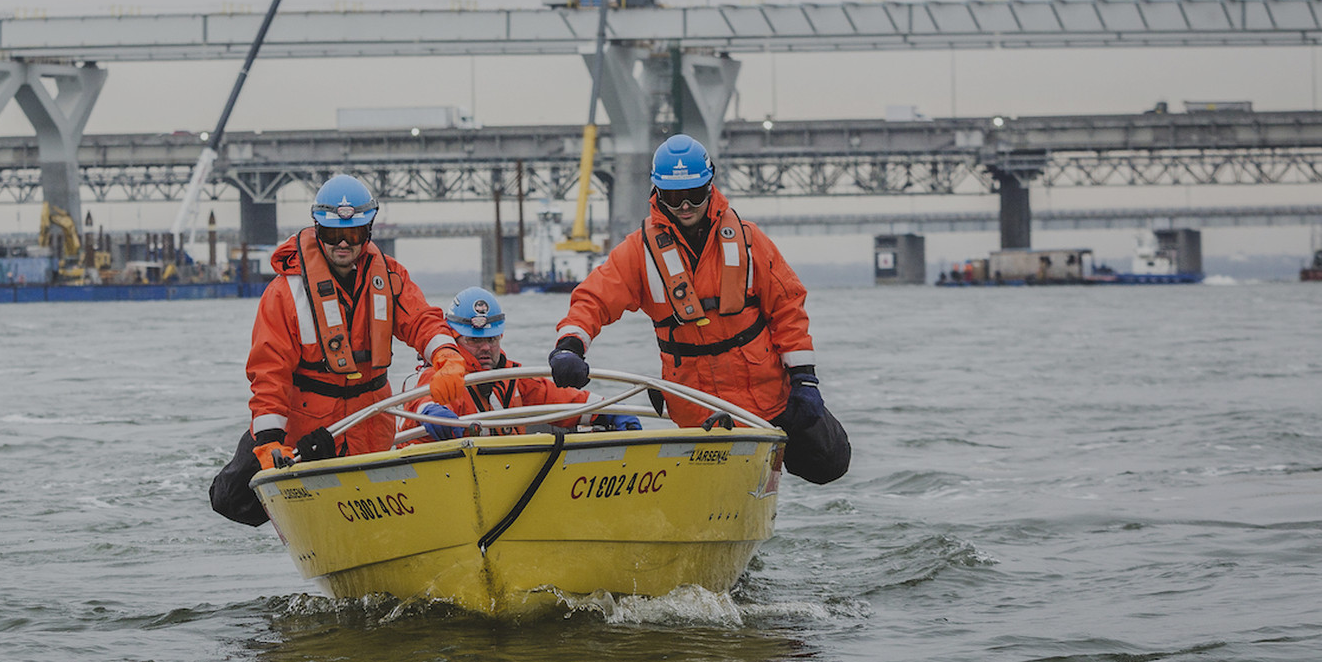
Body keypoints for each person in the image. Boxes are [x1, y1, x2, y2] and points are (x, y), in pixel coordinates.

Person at [547, 134, 850, 484]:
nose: (685, 206)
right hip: (695, 407)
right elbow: (594, 298)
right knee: (717, 483)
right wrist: (569, 346)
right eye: (674, 197)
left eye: (694, 194)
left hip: (767, 397)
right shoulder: (638, 252)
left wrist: (804, 379)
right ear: (657, 193)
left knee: (831, 461)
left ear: (710, 187)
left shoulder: (750, 241)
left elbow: (787, 307)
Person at [209, 174, 471, 525]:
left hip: (370, 421)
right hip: (306, 427)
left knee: (370, 508)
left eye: (355, 232)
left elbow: (422, 320)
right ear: (318, 230)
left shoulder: (390, 277)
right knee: (230, 496)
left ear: (369, 232)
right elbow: (269, 372)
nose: (343, 243)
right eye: (333, 234)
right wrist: (271, 441)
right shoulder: (284, 293)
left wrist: (448, 356)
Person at [398, 287, 640, 442]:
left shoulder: (514, 378)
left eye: (491, 339)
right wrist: (427, 413)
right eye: (474, 340)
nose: (485, 348)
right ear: (454, 338)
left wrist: (611, 410)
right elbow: (422, 402)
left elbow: (560, 399)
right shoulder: (441, 377)